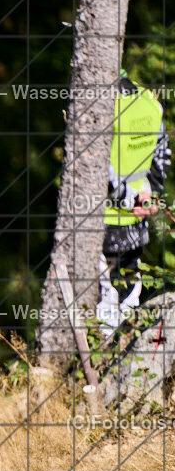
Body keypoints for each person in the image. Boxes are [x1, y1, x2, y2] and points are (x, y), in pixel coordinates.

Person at [97, 74, 171, 337]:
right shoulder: (149, 102)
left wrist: (130, 199)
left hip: (99, 229)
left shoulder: (97, 103)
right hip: (134, 229)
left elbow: (94, 168)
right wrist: (148, 192)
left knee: (100, 315)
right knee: (127, 306)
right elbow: (162, 152)